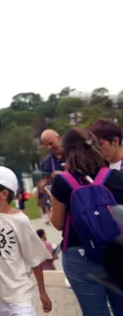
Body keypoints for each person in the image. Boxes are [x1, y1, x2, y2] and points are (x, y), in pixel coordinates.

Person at [48, 127, 123, 315]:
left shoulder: (62, 181)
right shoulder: (116, 178)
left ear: (66, 151)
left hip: (79, 255)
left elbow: (57, 223)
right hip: (116, 254)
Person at [0, 166, 53, 316]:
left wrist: (42, 292)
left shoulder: (20, 221)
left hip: (20, 295)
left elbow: (34, 259)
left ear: (4, 193)